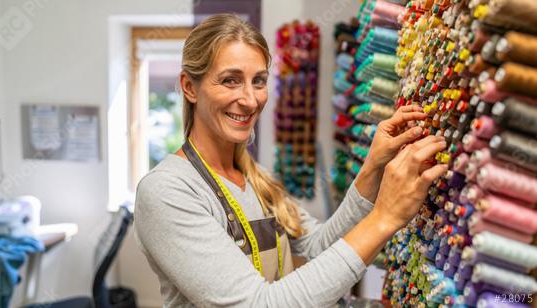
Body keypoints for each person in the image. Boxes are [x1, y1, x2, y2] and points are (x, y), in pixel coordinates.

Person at [134, 14, 447, 308]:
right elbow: (259, 305)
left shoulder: (255, 178)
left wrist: (373, 166)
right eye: (230, 80)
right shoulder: (167, 191)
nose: (250, 98)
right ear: (190, 86)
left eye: (258, 81)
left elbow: (317, 246)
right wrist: (384, 219)